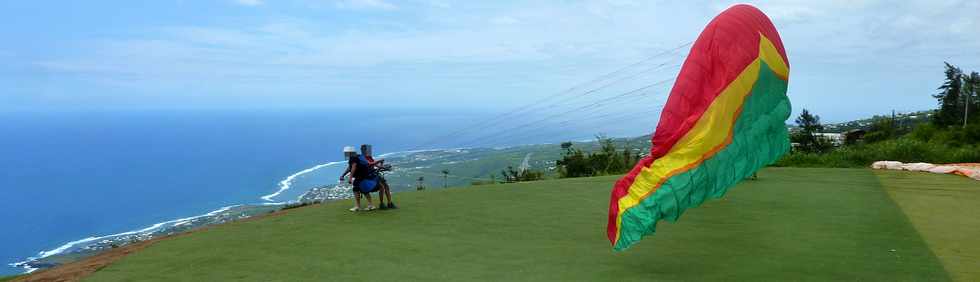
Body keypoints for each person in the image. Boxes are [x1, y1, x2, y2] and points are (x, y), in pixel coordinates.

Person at [340, 146, 376, 211]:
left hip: (360, 176)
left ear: (350, 152)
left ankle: (360, 206)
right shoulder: (356, 156)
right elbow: (350, 167)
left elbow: (353, 167)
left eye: (346, 152)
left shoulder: (353, 158)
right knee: (362, 190)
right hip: (363, 175)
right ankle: (369, 205)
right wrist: (343, 175)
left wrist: (350, 178)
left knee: (358, 189)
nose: (346, 154)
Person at [361, 144, 396, 209]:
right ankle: (382, 204)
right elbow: (370, 164)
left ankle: (389, 203)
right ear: (363, 150)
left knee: (386, 186)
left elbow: (376, 165)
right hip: (369, 176)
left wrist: (384, 167)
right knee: (382, 187)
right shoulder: (362, 158)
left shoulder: (369, 157)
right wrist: (380, 161)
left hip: (375, 174)